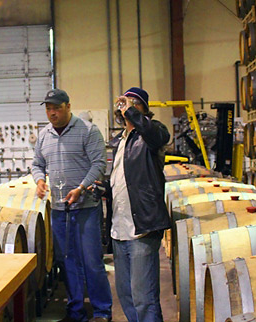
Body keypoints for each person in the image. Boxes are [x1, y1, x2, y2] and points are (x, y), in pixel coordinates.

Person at [32, 89, 112, 322]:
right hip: (59, 209)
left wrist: (81, 187)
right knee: (67, 262)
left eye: (56, 107)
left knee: (91, 261)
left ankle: (101, 311)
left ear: (68, 106)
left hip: (86, 207)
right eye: (48, 108)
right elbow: (37, 163)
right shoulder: (44, 135)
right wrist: (39, 180)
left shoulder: (88, 131)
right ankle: (75, 311)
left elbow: (99, 164)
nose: (52, 112)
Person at [97, 87, 170, 322]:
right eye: (125, 104)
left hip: (142, 228)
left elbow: (156, 136)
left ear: (144, 111)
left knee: (144, 298)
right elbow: (121, 180)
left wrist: (133, 112)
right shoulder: (121, 141)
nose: (127, 107)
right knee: (126, 295)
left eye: (134, 103)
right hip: (119, 229)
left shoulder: (152, 134)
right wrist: (102, 188)